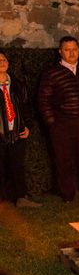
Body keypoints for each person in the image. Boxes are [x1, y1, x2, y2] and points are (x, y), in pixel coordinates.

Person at [38, 36, 79, 201]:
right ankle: (67, 193)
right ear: (60, 52)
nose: (71, 53)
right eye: (67, 49)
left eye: (74, 49)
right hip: (62, 124)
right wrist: (52, 123)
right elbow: (43, 100)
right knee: (64, 160)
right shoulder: (51, 72)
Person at [0, 51, 41, 208]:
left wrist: (27, 126)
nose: (2, 62)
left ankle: (21, 198)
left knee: (17, 166)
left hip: (17, 133)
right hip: (1, 133)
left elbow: (27, 108)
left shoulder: (17, 85)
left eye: (4, 59)